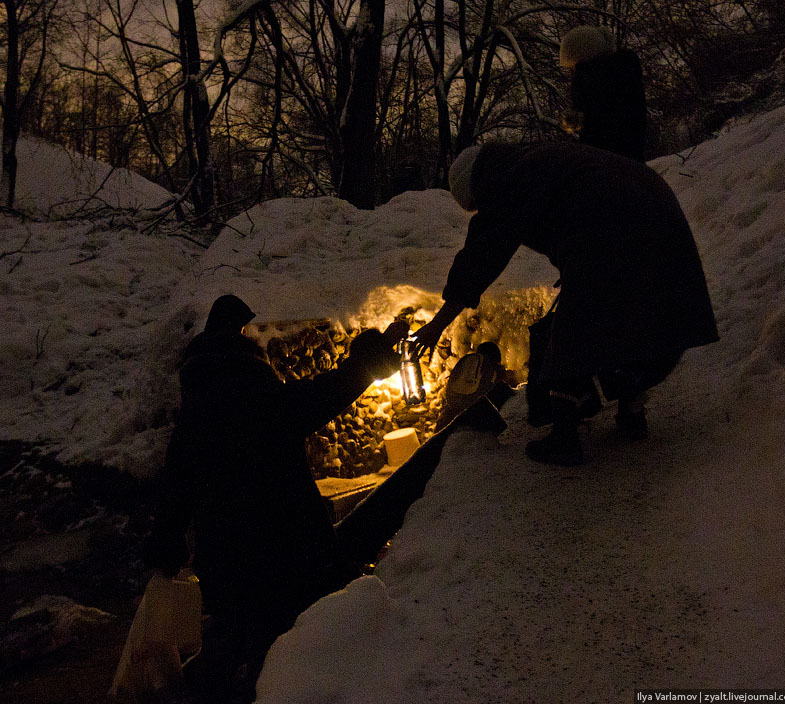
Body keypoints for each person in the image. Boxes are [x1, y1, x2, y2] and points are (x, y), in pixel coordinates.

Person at [143, 294, 408, 703]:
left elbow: (176, 487)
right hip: (286, 554)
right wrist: (372, 356)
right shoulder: (264, 400)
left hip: (227, 564)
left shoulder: (195, 416)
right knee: (281, 650)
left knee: (236, 636)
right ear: (245, 348)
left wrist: (167, 545)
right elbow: (329, 390)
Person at [412, 143, 719, 466]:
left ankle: (565, 438)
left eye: (476, 207)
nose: (481, 212)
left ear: (476, 187)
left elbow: (480, 258)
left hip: (611, 223)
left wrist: (435, 326)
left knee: (572, 332)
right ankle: (632, 409)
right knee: (645, 314)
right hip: (655, 203)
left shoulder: (506, 181)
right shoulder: (536, 161)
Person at [559, 25, 647, 161]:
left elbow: (590, 128)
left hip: (604, 161)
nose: (572, 70)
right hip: (633, 157)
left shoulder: (587, 80)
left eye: (573, 65)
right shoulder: (626, 72)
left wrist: (573, 120)